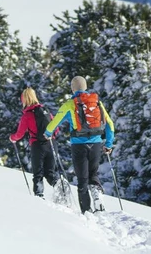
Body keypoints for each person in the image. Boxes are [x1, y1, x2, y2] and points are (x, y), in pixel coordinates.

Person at [44, 76, 115, 213]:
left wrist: (47, 133)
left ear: (72, 88)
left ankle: (86, 212)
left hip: (78, 146)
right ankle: (97, 194)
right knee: (93, 174)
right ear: (86, 87)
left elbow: (55, 122)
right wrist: (109, 144)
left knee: (82, 180)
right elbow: (110, 124)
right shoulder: (96, 102)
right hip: (96, 144)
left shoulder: (70, 104)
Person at [9, 87, 58, 198]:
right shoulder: (46, 110)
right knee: (50, 173)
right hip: (51, 144)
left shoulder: (27, 115)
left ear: (24, 100)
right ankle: (59, 186)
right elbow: (56, 127)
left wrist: (12, 138)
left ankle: (39, 196)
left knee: (38, 173)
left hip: (37, 146)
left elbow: (20, 134)